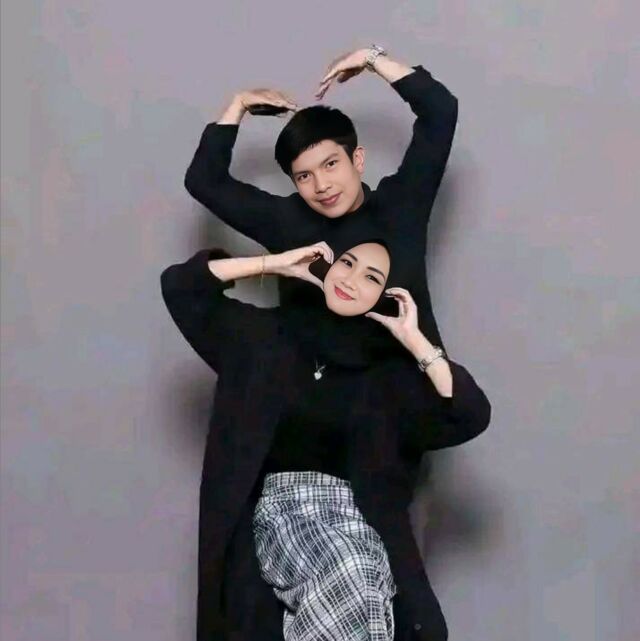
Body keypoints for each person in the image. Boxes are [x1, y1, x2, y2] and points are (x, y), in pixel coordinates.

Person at [160, 230, 491, 640]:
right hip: (283, 513)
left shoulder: (389, 377)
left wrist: (414, 338)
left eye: (371, 277)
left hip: (360, 521)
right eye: (347, 263)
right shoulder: (263, 338)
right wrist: (275, 264)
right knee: (349, 569)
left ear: (388, 294)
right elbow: (182, 288)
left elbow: (469, 414)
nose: (351, 280)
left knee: (365, 583)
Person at [184, 45, 458, 350]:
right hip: (314, 378)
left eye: (330, 165)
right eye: (304, 176)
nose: (322, 185)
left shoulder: (401, 205)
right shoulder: (286, 221)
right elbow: (203, 181)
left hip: (413, 375)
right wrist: (238, 104)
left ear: (357, 160)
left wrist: (370, 58)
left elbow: (440, 110)